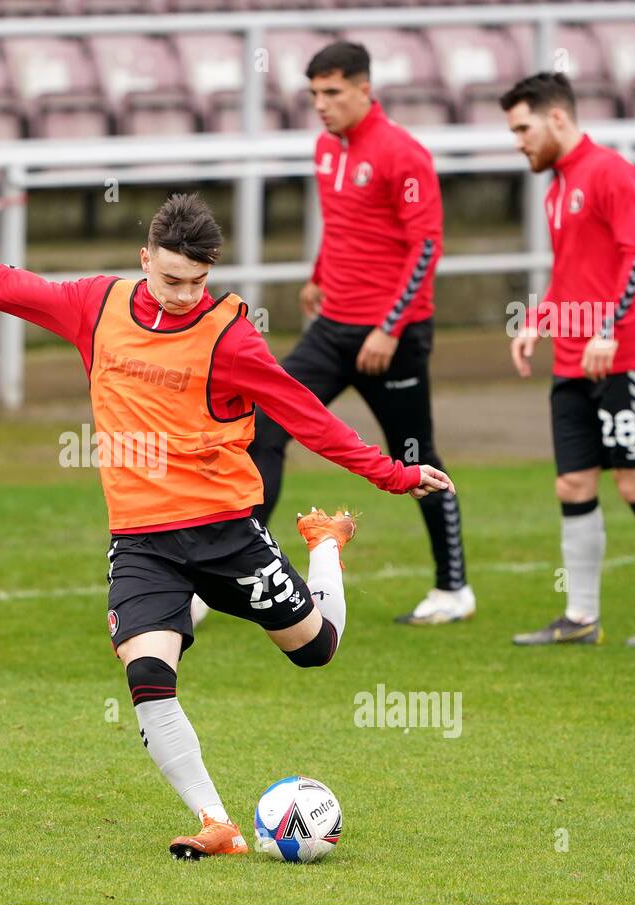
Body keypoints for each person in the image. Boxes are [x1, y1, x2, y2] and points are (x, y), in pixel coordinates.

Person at [0, 193, 454, 858]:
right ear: (145, 260)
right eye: (171, 279)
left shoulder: (230, 334)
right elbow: (5, 287)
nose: (183, 294)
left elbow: (305, 413)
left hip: (227, 530)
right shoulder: (97, 305)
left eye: (197, 282)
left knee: (317, 650)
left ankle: (323, 547)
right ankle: (217, 822)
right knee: (147, 674)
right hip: (142, 540)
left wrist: (393, 474)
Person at [246, 40, 474, 627]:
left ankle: (454, 589)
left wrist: (389, 328)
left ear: (365, 89)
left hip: (390, 337)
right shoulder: (326, 149)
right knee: (263, 423)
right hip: (332, 328)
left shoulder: (403, 154)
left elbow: (426, 246)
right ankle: (241, 565)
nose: (321, 105)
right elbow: (346, 223)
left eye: (332, 92)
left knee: (414, 454)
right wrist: (318, 275)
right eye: (314, 93)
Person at [501, 72, 635, 647]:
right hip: (573, 360)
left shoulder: (611, 172)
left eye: (523, 128)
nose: (518, 141)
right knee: (572, 484)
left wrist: (609, 329)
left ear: (557, 118)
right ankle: (581, 617)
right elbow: (572, 274)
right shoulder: (557, 188)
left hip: (625, 358)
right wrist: (540, 322)